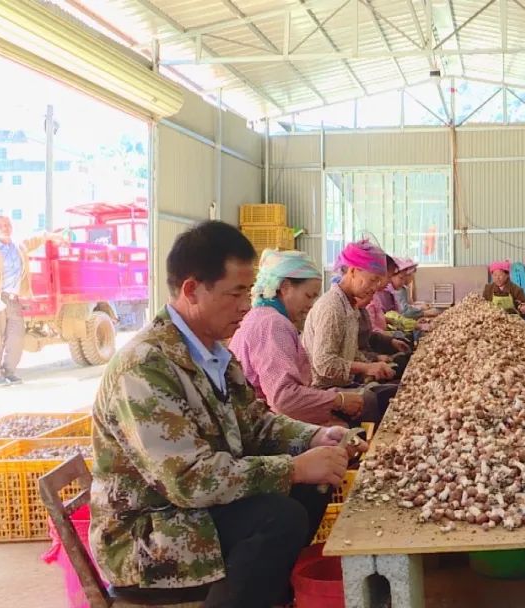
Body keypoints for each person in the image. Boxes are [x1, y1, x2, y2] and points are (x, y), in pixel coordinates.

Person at [90, 221, 363, 608]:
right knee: (279, 515)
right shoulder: (145, 367)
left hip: (193, 511)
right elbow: (189, 480)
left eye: (248, 292)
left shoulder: (215, 354)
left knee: (314, 485)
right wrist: (295, 467)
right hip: (148, 534)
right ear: (191, 290)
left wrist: (314, 438)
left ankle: (262, 593)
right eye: (235, 293)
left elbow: (254, 422)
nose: (246, 305)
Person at [228, 249, 366, 426]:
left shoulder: (261, 316)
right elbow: (283, 398)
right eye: (308, 296)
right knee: (342, 433)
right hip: (260, 424)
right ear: (285, 287)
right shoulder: (272, 325)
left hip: (262, 417)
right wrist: (337, 400)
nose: (310, 305)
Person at [303, 240, 397, 424]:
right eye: (372, 280)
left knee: (391, 391)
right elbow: (323, 363)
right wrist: (367, 367)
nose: (375, 287)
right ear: (353, 271)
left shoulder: (350, 306)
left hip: (343, 384)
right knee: (374, 401)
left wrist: (375, 365)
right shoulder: (332, 306)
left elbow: (350, 353)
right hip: (323, 391)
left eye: (378, 281)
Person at [0, 215, 64, 386]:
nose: (5, 227)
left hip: (14, 299)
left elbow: (35, 239)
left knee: (16, 337)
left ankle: (9, 371)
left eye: (7, 224)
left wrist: (52, 235)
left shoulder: (18, 246)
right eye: (0, 225)